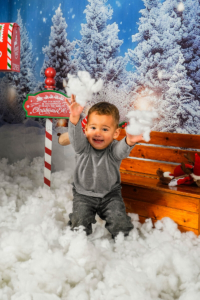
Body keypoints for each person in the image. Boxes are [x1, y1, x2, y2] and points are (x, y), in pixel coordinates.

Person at [66, 94, 144, 238]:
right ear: (86, 129)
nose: (98, 133)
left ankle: (125, 242)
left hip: (110, 195)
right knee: (79, 224)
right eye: (93, 127)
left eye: (105, 129)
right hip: (84, 195)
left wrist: (129, 141)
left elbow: (121, 151)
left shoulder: (113, 149)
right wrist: (75, 118)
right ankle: (77, 230)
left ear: (115, 133)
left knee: (120, 222)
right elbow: (75, 138)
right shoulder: (83, 147)